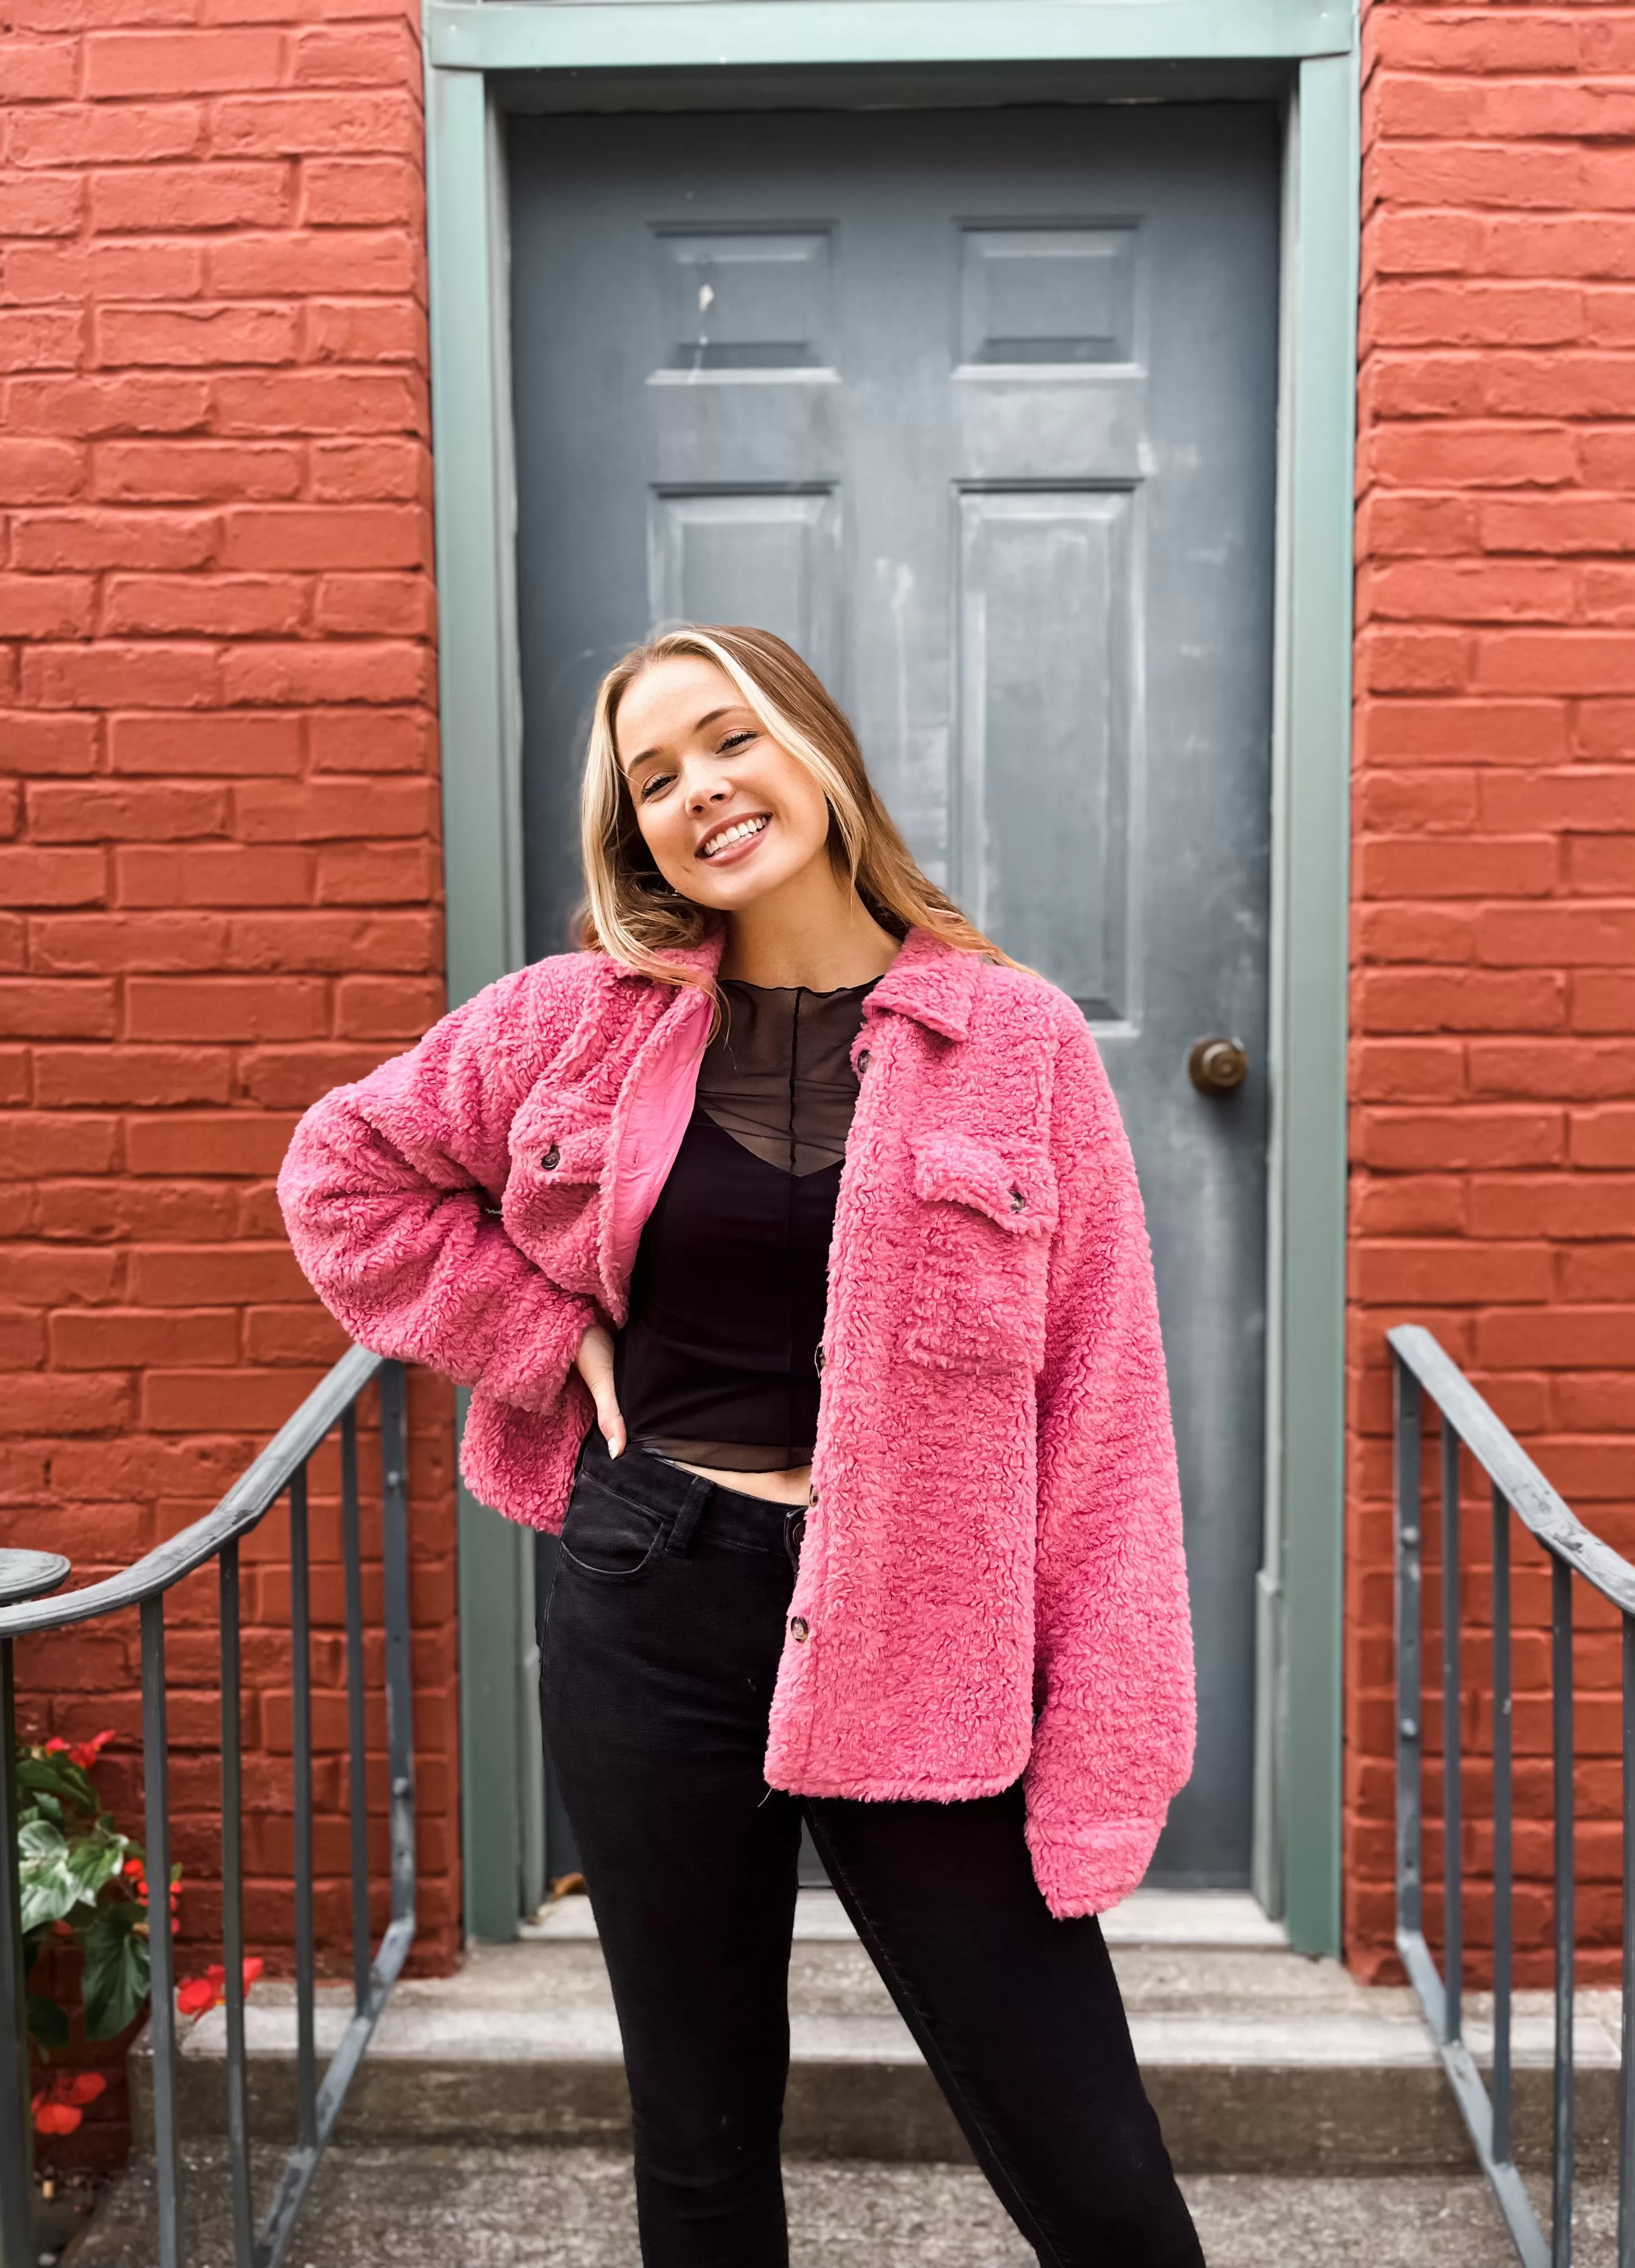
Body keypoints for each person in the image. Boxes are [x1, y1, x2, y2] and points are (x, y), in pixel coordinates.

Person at [277, 624, 1204, 2268]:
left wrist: (1102, 1748)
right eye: (654, 777)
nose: (702, 791)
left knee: (1098, 2170)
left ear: (818, 752)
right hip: (655, 1592)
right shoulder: (575, 1023)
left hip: (924, 1627)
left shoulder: (1020, 1044)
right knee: (700, 2142)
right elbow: (342, 1180)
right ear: (630, 829)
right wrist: (543, 1330)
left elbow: (1105, 1412)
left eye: (731, 739)